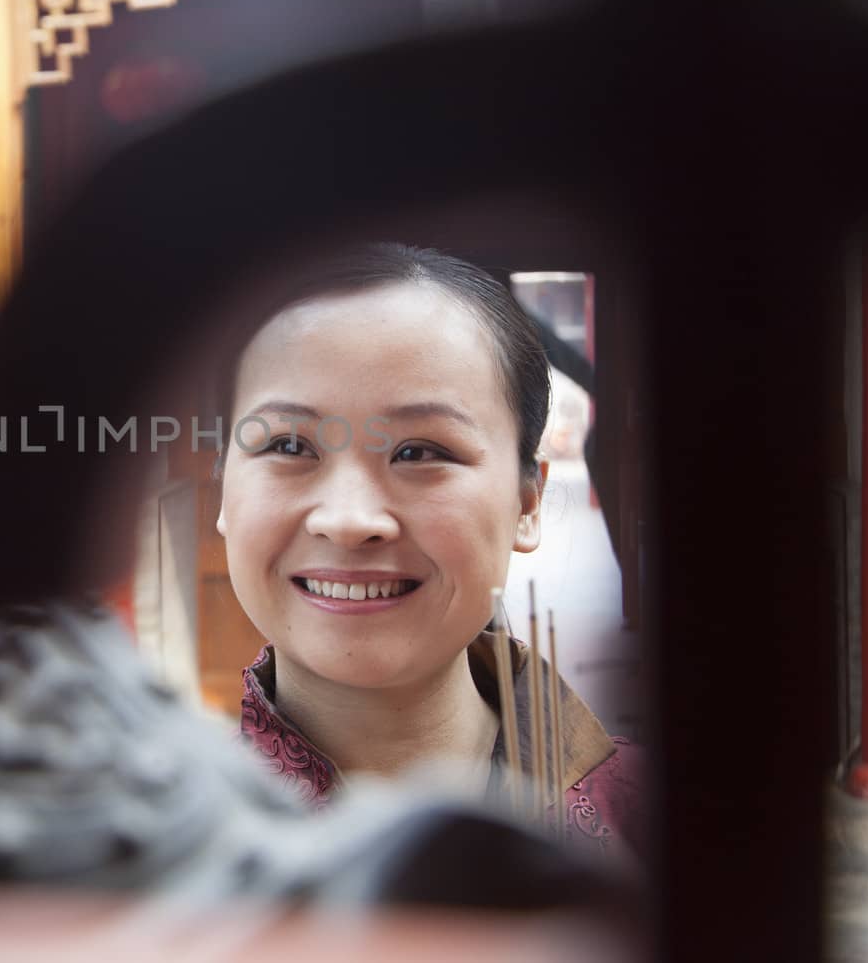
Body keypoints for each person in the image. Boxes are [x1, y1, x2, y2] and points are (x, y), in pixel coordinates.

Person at [215, 242, 646, 859]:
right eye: (287, 445)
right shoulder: (123, 860)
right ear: (224, 489)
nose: (350, 520)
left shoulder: (666, 824)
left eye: (420, 452)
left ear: (527, 502)